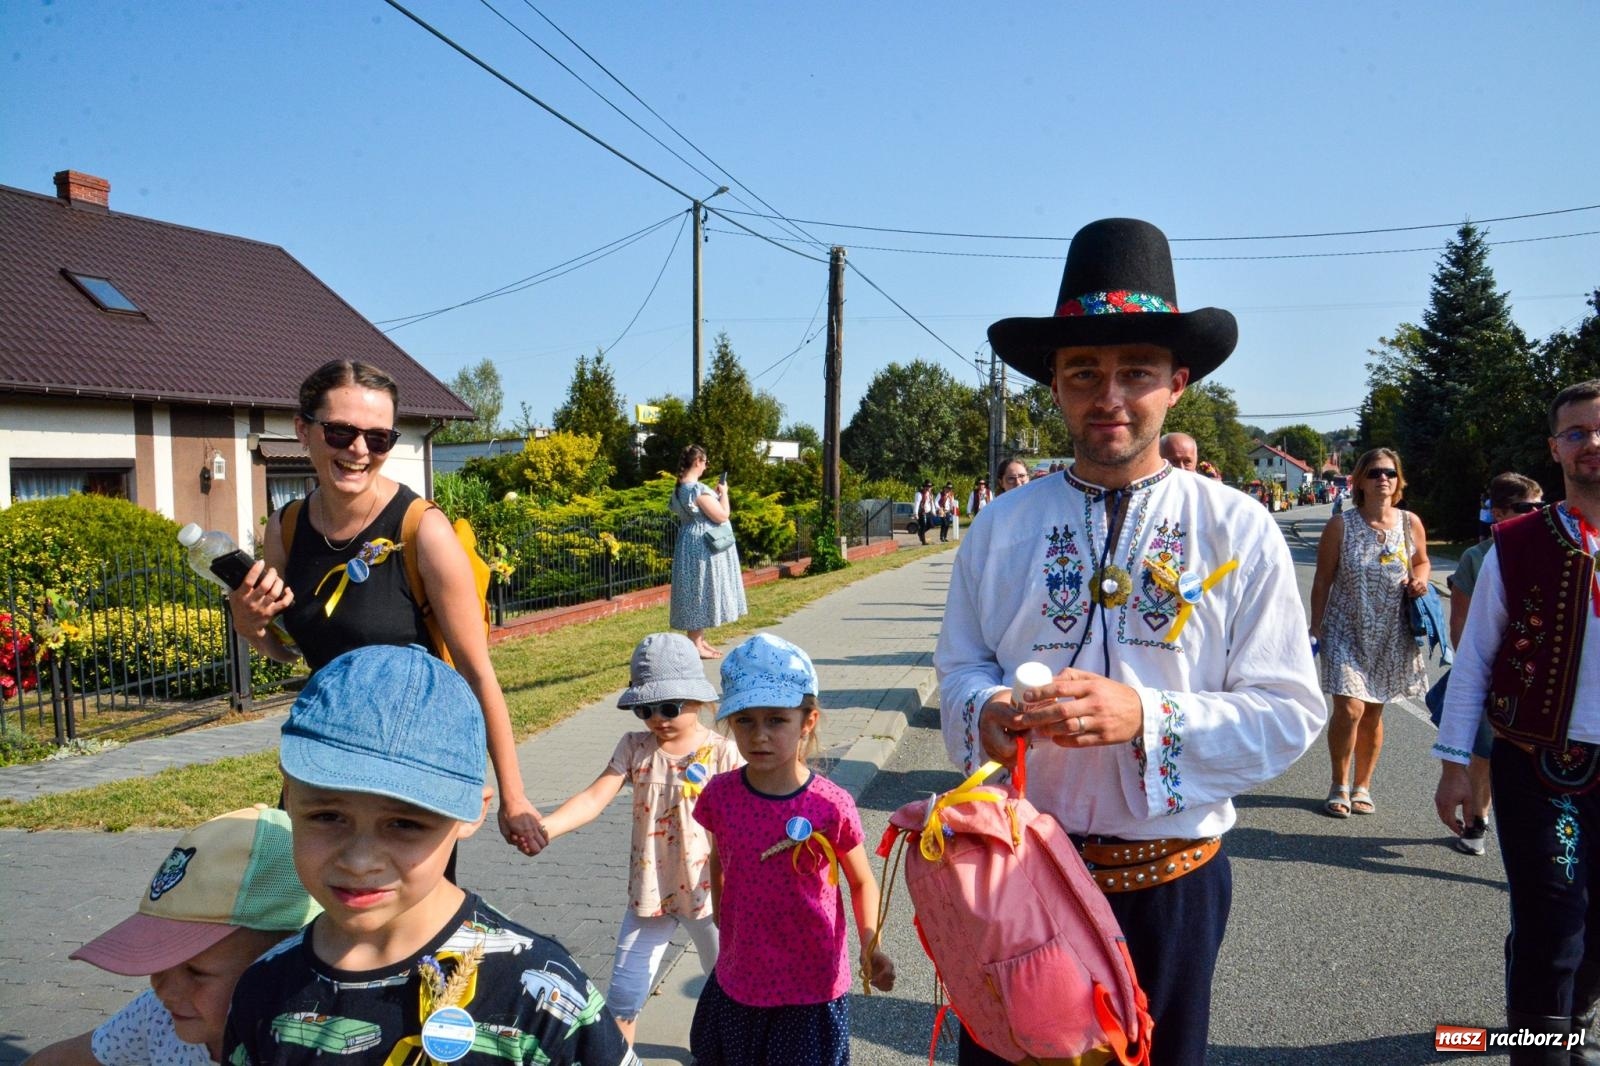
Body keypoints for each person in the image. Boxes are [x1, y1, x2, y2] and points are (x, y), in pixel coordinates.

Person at [939, 217, 1324, 1066]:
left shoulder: (1238, 529)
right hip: (1017, 879)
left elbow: (1291, 712)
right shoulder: (1000, 528)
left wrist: (1144, 716)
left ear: (1178, 383)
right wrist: (988, 711)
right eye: (1084, 373)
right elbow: (959, 670)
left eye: (1136, 372)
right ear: (1055, 385)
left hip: (1168, 885)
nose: (1109, 395)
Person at [223, 644, 638, 1065]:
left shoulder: (536, 993)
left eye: (405, 824)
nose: (360, 860)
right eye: (328, 815)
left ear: (473, 813)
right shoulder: (264, 987)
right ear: (289, 796)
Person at [226, 359, 543, 856]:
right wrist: (250, 626)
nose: (358, 451)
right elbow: (291, 651)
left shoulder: (422, 531)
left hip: (410, 775)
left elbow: (478, 673)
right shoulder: (285, 528)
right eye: (340, 432)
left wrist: (514, 796)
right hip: (324, 765)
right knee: (309, 918)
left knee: (400, 930)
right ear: (303, 431)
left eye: (378, 439)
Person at [1434, 380, 1600, 1059]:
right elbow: (1473, 660)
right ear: (1554, 448)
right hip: (1543, 763)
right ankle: (1540, 1050)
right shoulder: (1519, 541)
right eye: (1577, 432)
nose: (1592, 443)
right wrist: (1453, 768)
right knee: (1554, 921)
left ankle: (1569, 1024)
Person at [689, 634, 896, 1064]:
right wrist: (724, 922)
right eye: (744, 720)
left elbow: (860, 881)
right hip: (742, 978)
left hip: (810, 986)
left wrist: (870, 942)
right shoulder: (720, 796)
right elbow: (719, 859)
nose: (759, 735)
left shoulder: (829, 804)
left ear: (808, 721)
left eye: (776, 720)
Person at [528, 633, 742, 1045]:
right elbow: (594, 798)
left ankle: (724, 1051)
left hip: (711, 894)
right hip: (651, 893)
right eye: (645, 709)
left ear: (696, 700)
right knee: (624, 995)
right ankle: (619, 1056)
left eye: (669, 707)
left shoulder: (724, 754)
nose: (657, 718)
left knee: (729, 987)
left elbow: (751, 818)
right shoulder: (635, 747)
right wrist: (547, 827)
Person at [26, 806, 319, 1066]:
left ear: (287, 963)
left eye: (196, 971)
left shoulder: (319, 1046)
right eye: (160, 956)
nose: (164, 989)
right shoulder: (157, 1017)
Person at [1308, 447, 1429, 819]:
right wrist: (1315, 629)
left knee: (1374, 714)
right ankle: (1338, 783)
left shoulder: (1409, 523)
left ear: (1399, 480)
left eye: (1390, 473)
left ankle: (1363, 785)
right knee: (1349, 707)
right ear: (1359, 480)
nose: (1383, 479)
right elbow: (1323, 580)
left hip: (1392, 632)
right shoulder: (1341, 526)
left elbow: (1421, 560)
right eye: (1374, 472)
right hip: (1347, 628)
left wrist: (1422, 580)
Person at [1433, 472, 1543, 856]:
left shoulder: (1552, 552)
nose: (1535, 514)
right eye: (1524, 508)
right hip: (1496, 677)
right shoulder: (1477, 558)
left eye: (1539, 507)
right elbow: (1460, 625)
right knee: (1483, 752)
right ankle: (1477, 822)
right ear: (1497, 513)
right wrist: (1481, 675)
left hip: (1541, 681)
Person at [669, 444, 747, 660]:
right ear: (697, 462)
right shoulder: (697, 489)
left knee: (696, 589)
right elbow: (722, 515)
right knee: (700, 589)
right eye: (705, 462)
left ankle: (699, 641)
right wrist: (725, 494)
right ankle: (695, 643)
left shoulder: (679, 489)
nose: (705, 467)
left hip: (689, 543)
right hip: (702, 547)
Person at [913, 479, 937, 544]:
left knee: (931, 525)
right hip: (921, 513)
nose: (929, 488)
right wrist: (915, 514)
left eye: (930, 487)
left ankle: (920, 532)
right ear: (924, 487)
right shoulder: (919, 494)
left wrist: (934, 511)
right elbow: (917, 504)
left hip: (928, 512)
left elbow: (932, 503)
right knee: (923, 525)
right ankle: (924, 541)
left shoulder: (930, 494)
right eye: (927, 487)